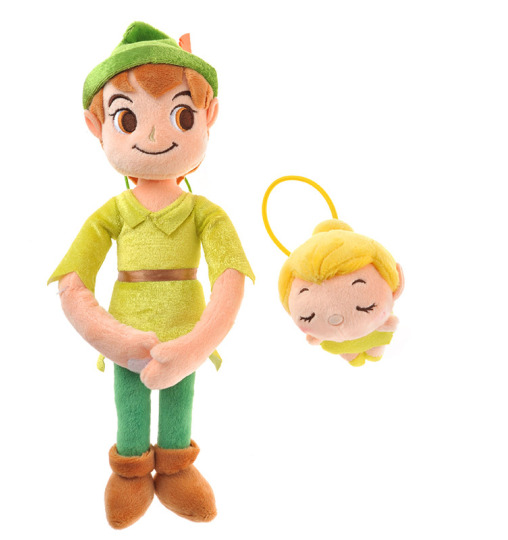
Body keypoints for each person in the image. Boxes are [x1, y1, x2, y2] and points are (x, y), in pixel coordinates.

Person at [48, 22, 254, 528]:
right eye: (127, 118)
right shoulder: (112, 213)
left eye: (181, 116)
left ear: (208, 115)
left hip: (187, 329)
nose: (156, 136)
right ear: (97, 126)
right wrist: (112, 338)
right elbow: (73, 282)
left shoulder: (206, 214)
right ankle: (132, 470)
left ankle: (177, 466)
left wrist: (197, 343)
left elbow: (230, 278)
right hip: (125, 330)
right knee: (130, 404)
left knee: (181, 399)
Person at [278, 219, 403, 367]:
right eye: (309, 317)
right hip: (346, 346)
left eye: (366, 308)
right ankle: (360, 357)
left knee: (374, 351)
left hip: (371, 339)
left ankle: (370, 355)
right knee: (356, 356)